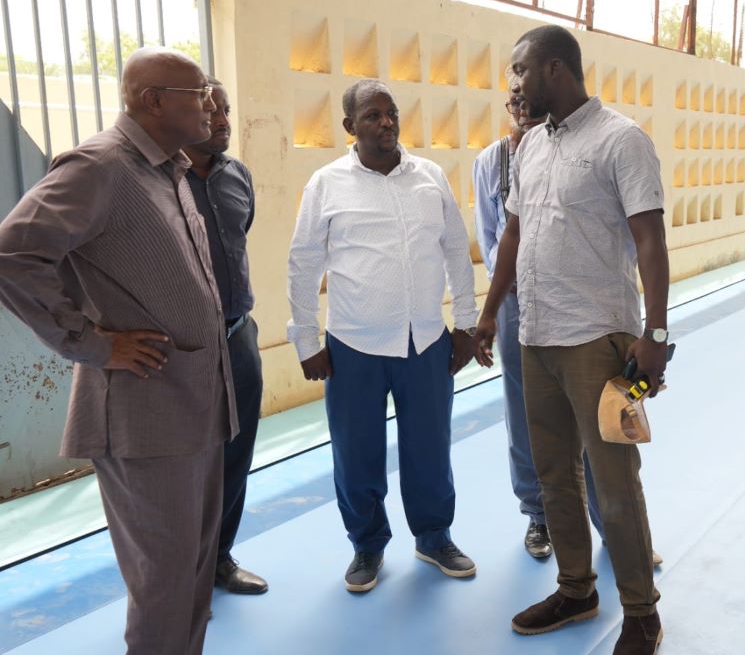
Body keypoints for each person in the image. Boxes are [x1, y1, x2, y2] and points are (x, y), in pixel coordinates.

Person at [0, 47, 237, 655]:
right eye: (197, 93)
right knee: (163, 581)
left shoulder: (171, 169)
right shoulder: (100, 166)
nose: (211, 105)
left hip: (198, 404)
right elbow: (14, 254)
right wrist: (89, 342)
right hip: (145, 414)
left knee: (192, 572)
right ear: (150, 100)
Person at [475, 25, 669, 655]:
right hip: (537, 335)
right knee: (555, 475)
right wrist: (487, 315)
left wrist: (655, 333)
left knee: (614, 478)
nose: (513, 84)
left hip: (598, 338)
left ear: (556, 69)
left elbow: (649, 240)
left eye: (519, 71)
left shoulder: (621, 140)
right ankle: (577, 588)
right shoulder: (527, 147)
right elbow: (511, 236)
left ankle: (641, 612)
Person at [286, 79, 479, 594]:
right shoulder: (325, 184)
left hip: (426, 342)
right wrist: (306, 340)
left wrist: (466, 325)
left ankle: (434, 536)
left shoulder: (430, 177)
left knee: (430, 449)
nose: (386, 122)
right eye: (372, 116)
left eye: (391, 113)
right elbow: (303, 264)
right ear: (350, 127)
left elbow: (457, 252)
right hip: (353, 347)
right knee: (356, 452)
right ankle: (367, 545)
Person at [472, 89, 606, 559]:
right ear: (507, 107)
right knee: (524, 411)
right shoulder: (492, 162)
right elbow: (492, 234)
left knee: (590, 409)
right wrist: (495, 302)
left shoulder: (578, 150)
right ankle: (538, 516)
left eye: (533, 101)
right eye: (516, 102)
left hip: (571, 300)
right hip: (513, 303)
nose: (524, 110)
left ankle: (606, 517)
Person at [181, 79, 268, 596]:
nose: (222, 120)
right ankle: (181, 573)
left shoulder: (239, 177)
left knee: (236, 454)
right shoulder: (158, 182)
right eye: (211, 111)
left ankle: (219, 558)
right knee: (189, 462)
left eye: (227, 110)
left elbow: (241, 237)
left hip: (239, 338)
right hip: (186, 351)